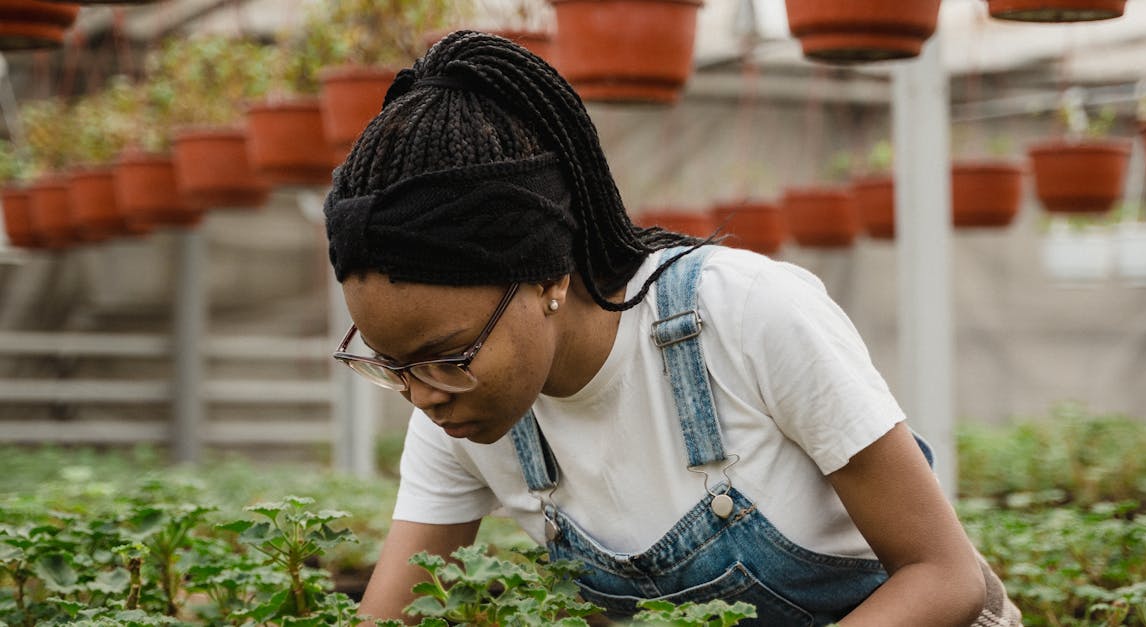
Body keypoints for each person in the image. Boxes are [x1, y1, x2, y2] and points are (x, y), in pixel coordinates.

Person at [324, 30, 1019, 627]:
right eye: (390, 364)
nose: (422, 394)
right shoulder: (460, 414)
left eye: (448, 355)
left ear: (548, 276)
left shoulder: (746, 315)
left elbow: (943, 575)